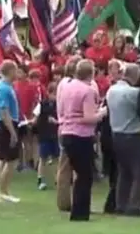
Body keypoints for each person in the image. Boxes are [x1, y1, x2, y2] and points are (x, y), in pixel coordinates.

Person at [58, 59, 106, 221]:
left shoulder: (66, 86)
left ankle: (77, 209)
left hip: (66, 132)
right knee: (85, 175)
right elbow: (88, 118)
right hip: (81, 135)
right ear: (91, 74)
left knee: (78, 172)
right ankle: (80, 212)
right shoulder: (88, 90)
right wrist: (102, 113)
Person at [107, 63, 140, 216]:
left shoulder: (111, 90)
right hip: (133, 135)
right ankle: (134, 206)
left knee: (124, 172)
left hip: (116, 134)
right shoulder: (133, 93)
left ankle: (121, 204)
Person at [0, 60, 22, 203]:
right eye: (16, 70)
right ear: (10, 71)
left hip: (3, 124)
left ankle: (2, 191)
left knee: (3, 159)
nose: (17, 73)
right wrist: (12, 131)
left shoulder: (4, 86)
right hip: (6, 125)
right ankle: (3, 192)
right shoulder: (4, 88)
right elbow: (4, 111)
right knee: (11, 160)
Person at [56, 56, 81, 212]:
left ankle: (63, 200)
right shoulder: (73, 85)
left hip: (62, 126)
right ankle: (76, 200)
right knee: (77, 167)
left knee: (64, 167)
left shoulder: (61, 84)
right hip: (73, 127)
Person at [35, 82, 59, 190]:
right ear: (49, 93)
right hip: (44, 135)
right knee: (43, 158)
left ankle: (57, 179)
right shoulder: (42, 104)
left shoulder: (59, 105)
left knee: (56, 158)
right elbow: (36, 117)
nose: (55, 97)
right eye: (54, 94)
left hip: (55, 135)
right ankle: (41, 179)